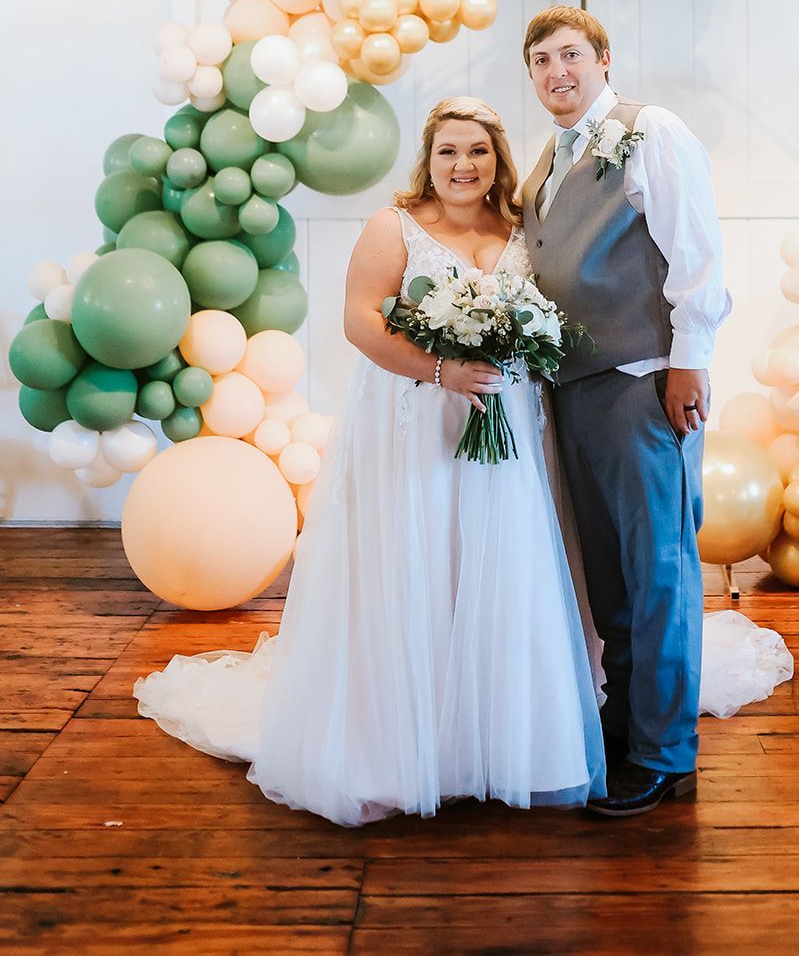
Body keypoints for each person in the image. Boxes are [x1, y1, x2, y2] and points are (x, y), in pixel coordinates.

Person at [134, 97, 606, 827]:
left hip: (506, 417)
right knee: (415, 563)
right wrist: (441, 372)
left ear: (497, 160)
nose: (462, 165)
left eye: (476, 152)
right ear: (428, 158)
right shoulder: (396, 225)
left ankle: (502, 740)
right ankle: (399, 747)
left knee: (500, 565)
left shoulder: (518, 228)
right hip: (417, 416)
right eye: (448, 151)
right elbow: (360, 320)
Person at [522, 6, 732, 817]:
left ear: (603, 58)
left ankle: (665, 755)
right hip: (573, 390)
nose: (555, 73)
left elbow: (696, 253)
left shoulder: (652, 132)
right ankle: (623, 726)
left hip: (643, 382)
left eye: (570, 55)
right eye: (540, 61)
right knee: (607, 576)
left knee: (660, 574)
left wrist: (689, 362)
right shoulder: (548, 159)